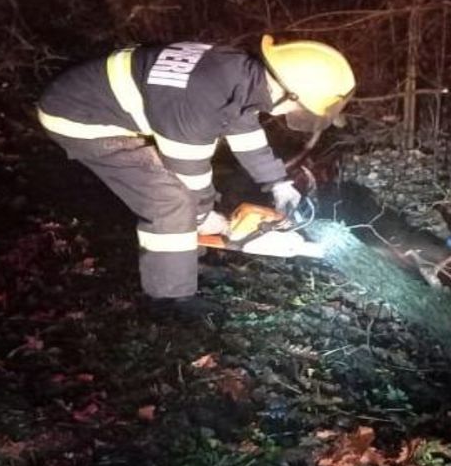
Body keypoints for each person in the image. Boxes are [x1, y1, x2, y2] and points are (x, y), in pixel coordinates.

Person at [37, 35, 355, 321]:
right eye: (300, 108)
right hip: (78, 116)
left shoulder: (239, 76)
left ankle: (183, 259)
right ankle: (169, 299)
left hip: (108, 103)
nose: (290, 115)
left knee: (183, 201)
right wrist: (206, 217)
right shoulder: (199, 103)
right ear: (290, 92)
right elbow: (188, 175)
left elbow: (245, 131)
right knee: (170, 199)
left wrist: (277, 182)